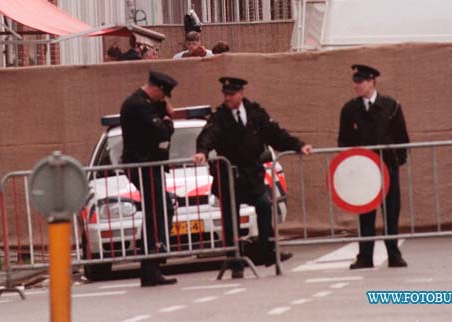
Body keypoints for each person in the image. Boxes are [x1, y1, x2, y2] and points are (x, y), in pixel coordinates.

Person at [192, 77, 313, 278]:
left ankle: (266, 250)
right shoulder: (220, 117)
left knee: (265, 205)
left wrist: (298, 145)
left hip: (251, 175)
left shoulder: (255, 113)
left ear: (241, 94)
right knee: (231, 220)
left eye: (231, 94)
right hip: (229, 176)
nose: (227, 98)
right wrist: (202, 151)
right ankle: (235, 262)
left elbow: (275, 134)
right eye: (225, 94)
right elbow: (208, 135)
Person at [337, 64, 409, 269]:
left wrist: (397, 161)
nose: (356, 86)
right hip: (363, 169)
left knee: (391, 212)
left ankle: (394, 254)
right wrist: (350, 164)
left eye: (360, 82)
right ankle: (365, 256)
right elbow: (344, 141)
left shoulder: (391, 106)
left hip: (386, 166)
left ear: (371, 82)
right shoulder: (350, 109)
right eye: (355, 82)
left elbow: (401, 137)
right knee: (366, 213)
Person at [120, 71, 179, 287]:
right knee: (157, 211)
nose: (164, 100)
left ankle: (152, 263)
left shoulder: (143, 103)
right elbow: (162, 132)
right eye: (163, 95)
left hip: (148, 166)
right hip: (142, 166)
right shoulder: (137, 105)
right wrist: (167, 120)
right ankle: (152, 263)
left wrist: (163, 114)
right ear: (156, 88)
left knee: (161, 208)